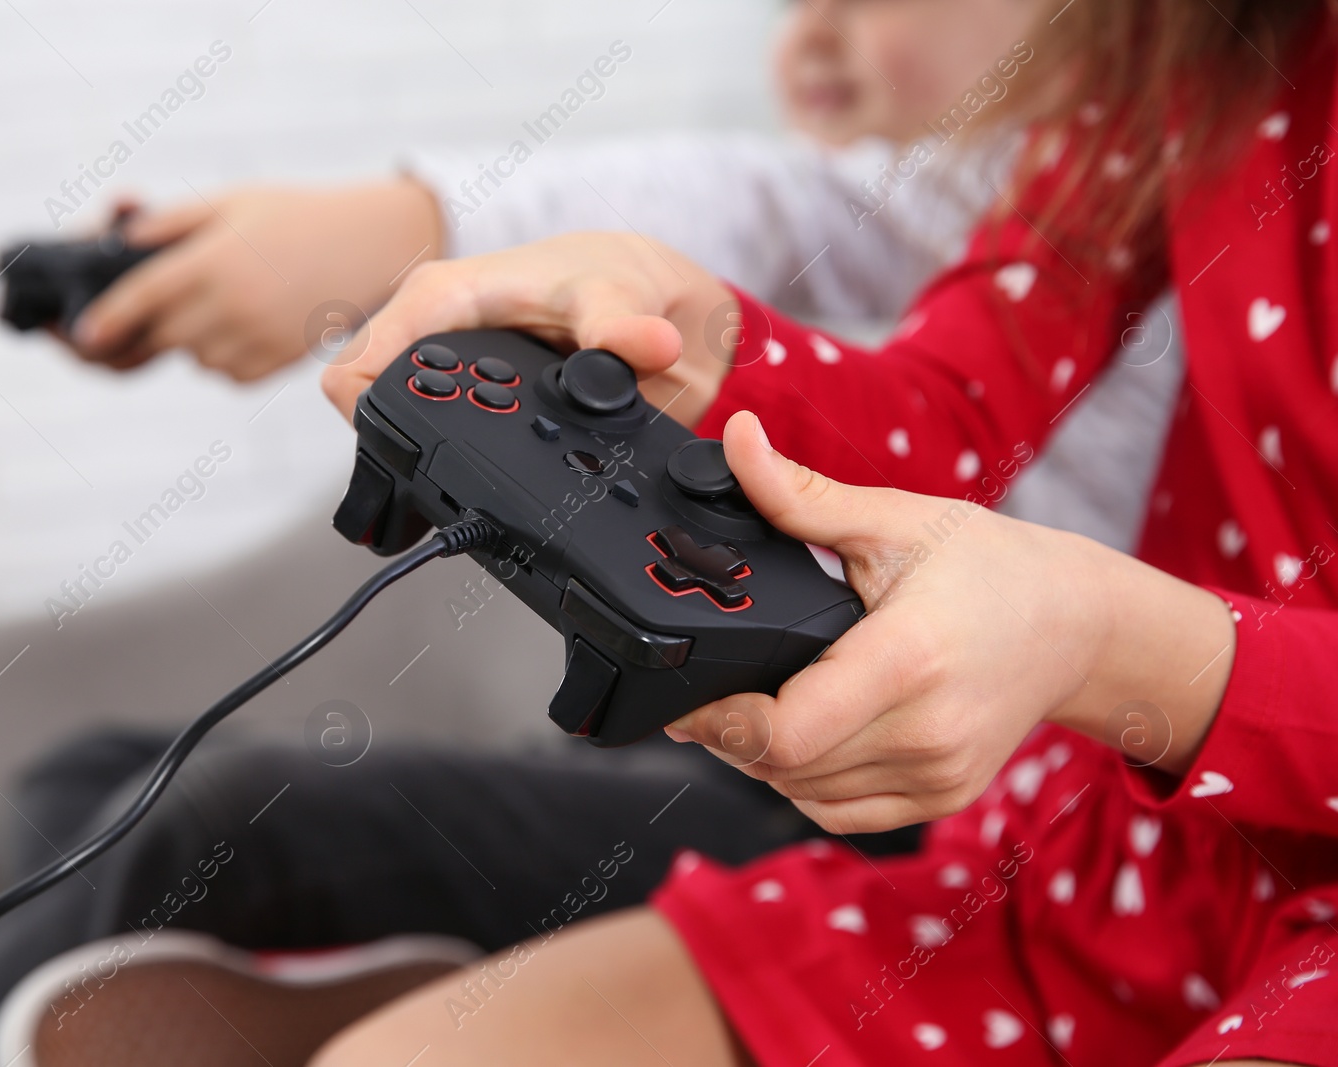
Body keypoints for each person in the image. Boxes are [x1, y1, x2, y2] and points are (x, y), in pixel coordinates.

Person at [275, 1, 1338, 1065]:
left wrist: (1103, 638)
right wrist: (709, 341)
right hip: (1116, 860)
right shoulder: (1203, 42)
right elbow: (959, 404)